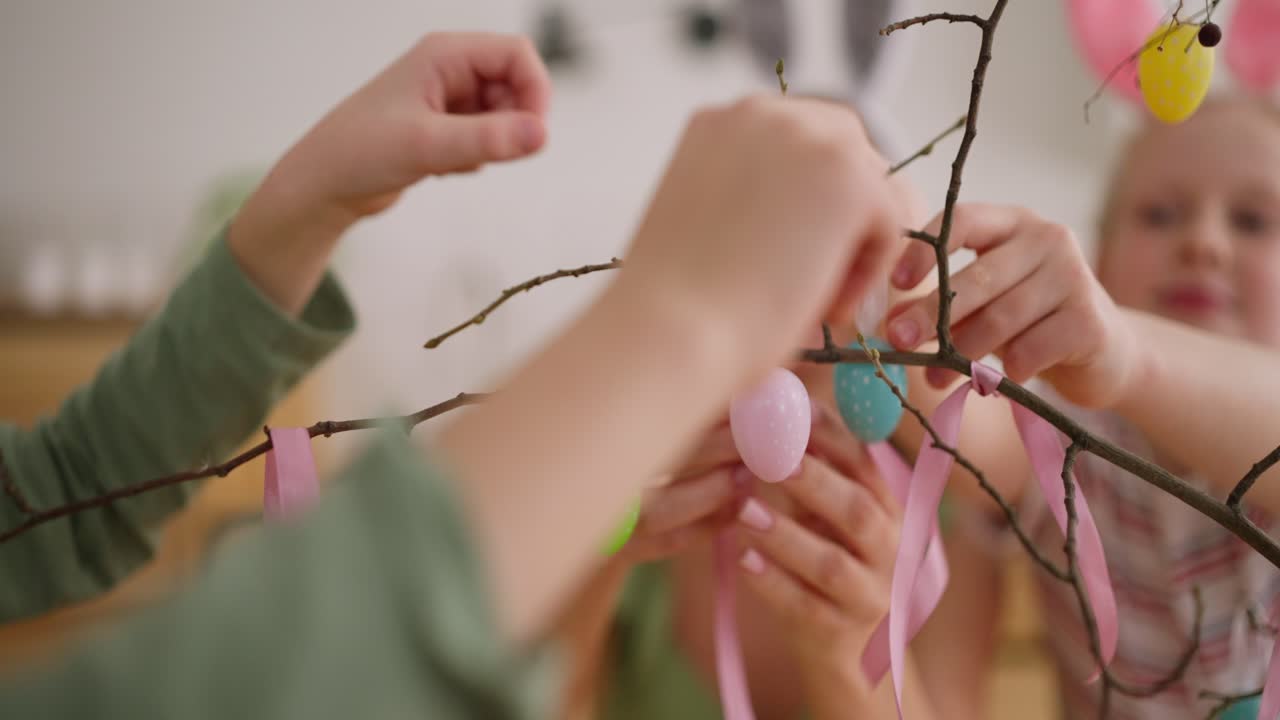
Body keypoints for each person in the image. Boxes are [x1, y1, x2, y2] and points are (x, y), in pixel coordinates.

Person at [0, 30, 906, 720]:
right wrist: (674, 324)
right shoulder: (651, 505)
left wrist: (300, 206)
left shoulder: (897, 489)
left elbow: (62, 489)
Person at [551, 102, 941, 720]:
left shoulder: (935, 513)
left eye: (855, 259)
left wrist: (847, 659)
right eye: (780, 243)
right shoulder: (632, 484)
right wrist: (606, 553)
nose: (812, 289)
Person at [897, 94, 1280, 718]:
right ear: (1099, 263)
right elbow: (975, 430)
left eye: (1254, 221)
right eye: (1158, 215)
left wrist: (1132, 354)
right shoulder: (1066, 431)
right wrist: (895, 287)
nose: (1203, 242)